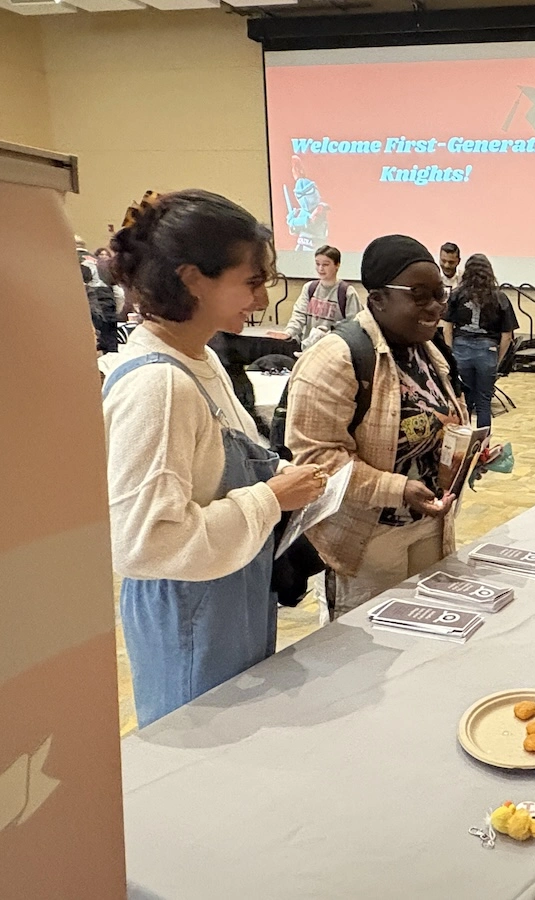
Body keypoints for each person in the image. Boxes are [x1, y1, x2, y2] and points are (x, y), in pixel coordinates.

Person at [102, 190, 327, 726]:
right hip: (191, 616)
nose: (260, 300)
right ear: (191, 279)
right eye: (251, 282)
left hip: (232, 597)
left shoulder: (201, 360)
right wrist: (269, 497)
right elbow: (145, 543)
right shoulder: (159, 384)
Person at [286, 234, 469, 617]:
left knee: (424, 644)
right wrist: (397, 489)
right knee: (365, 660)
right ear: (377, 299)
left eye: (440, 295)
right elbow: (317, 460)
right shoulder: (337, 358)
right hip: (365, 537)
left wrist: (466, 455)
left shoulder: (429, 352)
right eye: (419, 295)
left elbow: (439, 423)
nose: (435, 307)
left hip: (429, 527)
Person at [443, 253, 518, 430]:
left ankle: (463, 444)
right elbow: (507, 335)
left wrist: (451, 354)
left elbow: (447, 328)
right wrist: (497, 360)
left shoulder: (456, 295)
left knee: (464, 403)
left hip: (461, 351)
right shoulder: (500, 297)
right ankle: (483, 447)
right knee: (483, 404)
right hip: (487, 352)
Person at [268, 244, 361, 349]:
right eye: (317, 264)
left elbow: (353, 325)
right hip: (308, 349)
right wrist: (289, 332)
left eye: (325, 264)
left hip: (334, 350)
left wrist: (329, 333)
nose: (320, 268)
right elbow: (299, 314)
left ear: (337, 265)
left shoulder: (347, 292)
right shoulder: (309, 288)